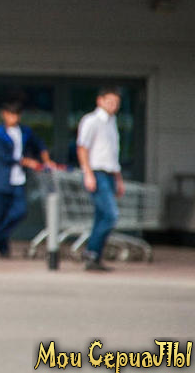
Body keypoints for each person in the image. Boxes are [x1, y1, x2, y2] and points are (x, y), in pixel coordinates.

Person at [0, 101, 55, 258]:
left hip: (19, 179)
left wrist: (46, 160)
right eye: (11, 114)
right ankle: (3, 248)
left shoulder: (24, 131)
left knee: (20, 211)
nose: (14, 118)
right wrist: (25, 161)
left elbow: (39, 144)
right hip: (1, 179)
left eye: (17, 114)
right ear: (4, 115)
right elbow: (2, 156)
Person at [77, 87, 124, 272]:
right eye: (109, 101)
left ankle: (95, 256)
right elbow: (82, 147)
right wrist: (88, 173)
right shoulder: (91, 121)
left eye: (116, 103)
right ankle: (91, 251)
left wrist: (119, 179)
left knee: (101, 217)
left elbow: (113, 154)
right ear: (100, 101)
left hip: (110, 174)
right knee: (111, 215)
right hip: (97, 173)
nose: (113, 105)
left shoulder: (112, 122)